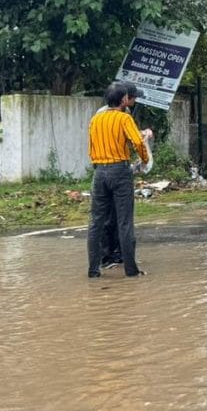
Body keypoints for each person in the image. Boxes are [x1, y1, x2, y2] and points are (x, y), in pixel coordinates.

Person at [87, 81, 152, 278]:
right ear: (123, 99)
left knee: (95, 222)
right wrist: (144, 159)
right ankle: (131, 271)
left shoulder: (95, 119)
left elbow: (91, 147)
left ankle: (93, 270)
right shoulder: (124, 119)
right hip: (120, 171)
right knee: (124, 222)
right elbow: (137, 142)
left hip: (99, 173)